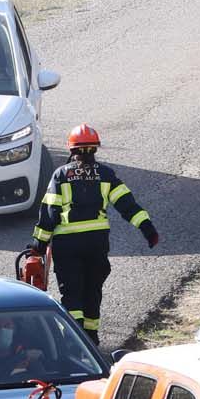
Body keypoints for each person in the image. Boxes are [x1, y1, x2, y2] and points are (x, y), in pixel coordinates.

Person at [28, 124, 159, 343]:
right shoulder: (106, 175)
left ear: (71, 149)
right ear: (95, 149)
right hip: (96, 243)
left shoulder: (61, 175)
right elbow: (127, 204)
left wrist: (38, 244)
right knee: (92, 289)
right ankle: (91, 337)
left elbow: (50, 211)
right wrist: (148, 229)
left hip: (67, 244)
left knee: (72, 292)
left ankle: (74, 340)